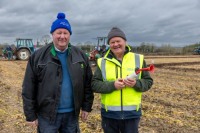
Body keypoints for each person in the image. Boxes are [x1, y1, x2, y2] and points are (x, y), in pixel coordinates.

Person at [22, 12, 94, 133]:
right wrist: (30, 114)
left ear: (69, 35)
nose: (62, 36)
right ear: (52, 34)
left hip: (72, 115)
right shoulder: (38, 57)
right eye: (58, 33)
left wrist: (86, 107)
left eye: (65, 33)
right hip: (47, 116)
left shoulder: (80, 56)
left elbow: (88, 84)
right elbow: (28, 87)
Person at [91, 27, 153, 133]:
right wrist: (112, 85)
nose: (115, 44)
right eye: (112, 42)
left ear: (125, 41)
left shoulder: (138, 59)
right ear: (109, 44)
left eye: (118, 41)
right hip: (109, 115)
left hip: (132, 115)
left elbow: (148, 82)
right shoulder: (102, 62)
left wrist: (136, 84)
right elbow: (94, 84)